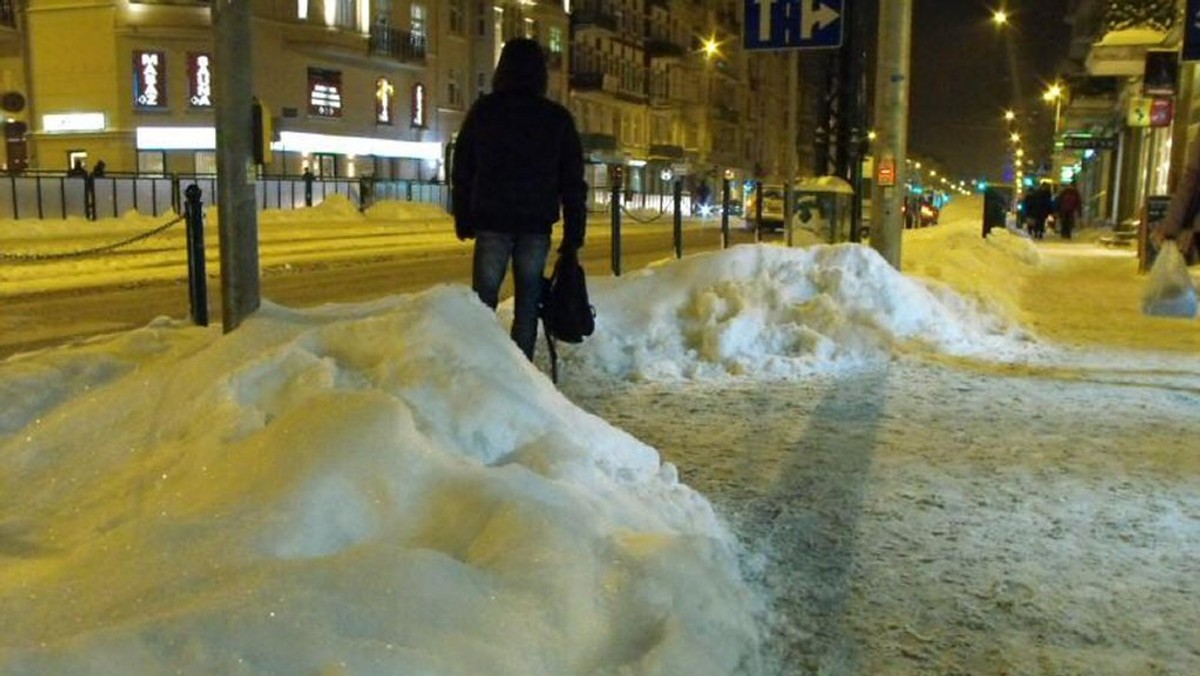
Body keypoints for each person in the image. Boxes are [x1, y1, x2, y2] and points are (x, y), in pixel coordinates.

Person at [451, 38, 587, 361]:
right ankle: (520, 374)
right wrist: (573, 238)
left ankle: (483, 366)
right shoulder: (556, 119)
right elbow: (572, 184)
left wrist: (464, 217)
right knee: (527, 308)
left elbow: (463, 167)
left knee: (483, 303)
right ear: (541, 74)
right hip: (534, 226)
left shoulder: (484, 111)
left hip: (491, 222)